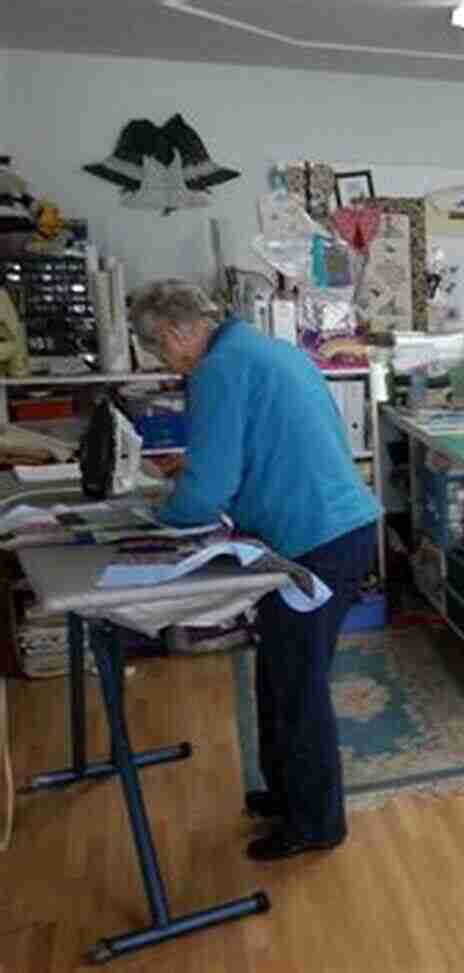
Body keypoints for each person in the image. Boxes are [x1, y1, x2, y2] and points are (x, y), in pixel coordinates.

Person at [128, 280, 380, 862]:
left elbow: (211, 487)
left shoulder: (218, 369)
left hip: (316, 541)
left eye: (163, 351)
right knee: (279, 670)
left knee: (297, 683)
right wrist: (194, 471)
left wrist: (162, 515)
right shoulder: (265, 350)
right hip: (332, 530)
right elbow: (262, 443)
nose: (170, 363)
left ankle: (316, 822)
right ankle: (288, 792)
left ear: (175, 333)